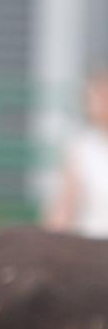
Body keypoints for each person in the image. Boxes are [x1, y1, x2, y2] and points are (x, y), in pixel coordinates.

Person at [44, 67, 108, 237]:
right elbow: (65, 206)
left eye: (95, 96)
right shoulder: (81, 147)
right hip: (92, 246)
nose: (89, 103)